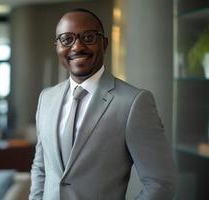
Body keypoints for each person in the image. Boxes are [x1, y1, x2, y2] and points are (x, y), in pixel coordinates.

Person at [29, 8, 177, 200]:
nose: (77, 47)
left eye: (88, 37)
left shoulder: (133, 102)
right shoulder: (46, 98)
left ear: (104, 43)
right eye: (67, 39)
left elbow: (161, 182)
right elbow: (41, 167)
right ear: (57, 46)